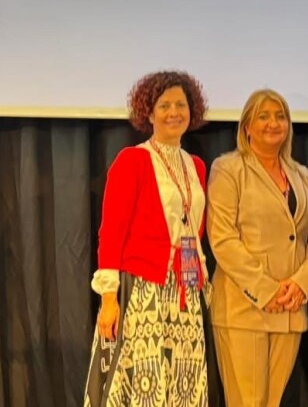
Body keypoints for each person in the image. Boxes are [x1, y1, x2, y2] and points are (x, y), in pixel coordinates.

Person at [83, 70, 212, 407]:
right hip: (143, 290)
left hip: (185, 289)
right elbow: (111, 232)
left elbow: (193, 230)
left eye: (180, 105)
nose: (174, 112)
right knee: (144, 381)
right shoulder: (133, 161)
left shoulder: (196, 166)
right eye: (164, 105)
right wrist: (109, 299)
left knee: (183, 381)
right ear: (149, 113)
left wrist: (197, 282)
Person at [207, 88, 308, 407]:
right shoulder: (228, 169)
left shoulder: (301, 174)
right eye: (264, 116)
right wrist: (266, 290)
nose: (273, 123)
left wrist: (303, 281)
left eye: (280, 116)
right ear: (247, 126)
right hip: (244, 309)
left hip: (290, 308)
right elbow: (222, 238)